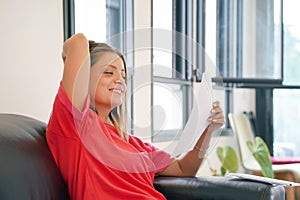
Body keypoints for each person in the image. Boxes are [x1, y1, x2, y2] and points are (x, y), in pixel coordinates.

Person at [46, 33, 225, 200]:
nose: (120, 80)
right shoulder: (76, 124)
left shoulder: (131, 143)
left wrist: (207, 131)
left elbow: (183, 169)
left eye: (123, 75)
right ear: (84, 77)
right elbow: (78, 42)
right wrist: (66, 58)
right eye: (109, 72)